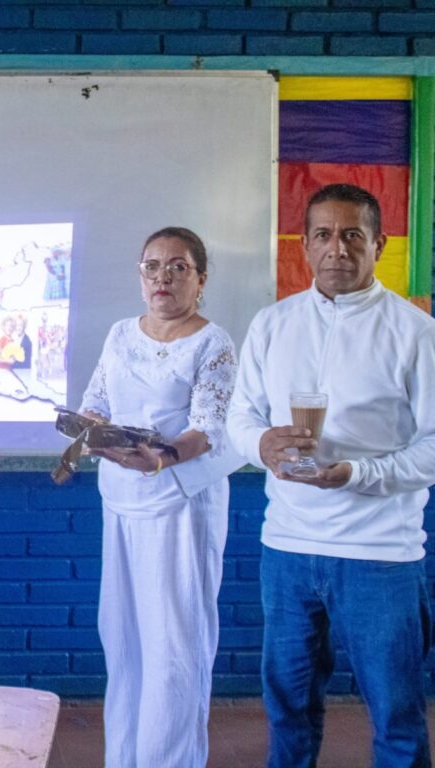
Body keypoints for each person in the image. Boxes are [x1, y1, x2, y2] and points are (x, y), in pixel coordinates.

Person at [227, 183, 435, 767]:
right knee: (288, 708)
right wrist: (261, 443)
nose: (336, 249)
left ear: (379, 244)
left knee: (395, 714)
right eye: (322, 235)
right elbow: (240, 415)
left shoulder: (416, 333)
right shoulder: (273, 324)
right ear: (304, 244)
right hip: (288, 548)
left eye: (352, 235)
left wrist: (357, 473)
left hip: (380, 554)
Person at [80, 227, 241, 767]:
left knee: (174, 648)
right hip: (121, 503)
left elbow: (209, 427)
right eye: (152, 267)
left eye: (177, 267)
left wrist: (163, 456)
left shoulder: (213, 341)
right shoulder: (121, 333)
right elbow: (96, 402)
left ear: (200, 278)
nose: (163, 278)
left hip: (178, 506)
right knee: (123, 644)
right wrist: (87, 431)